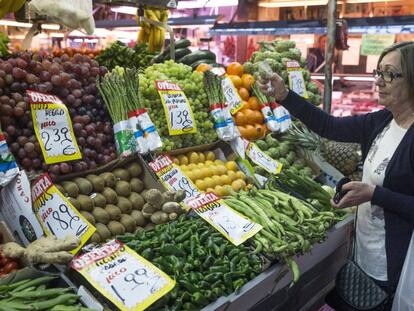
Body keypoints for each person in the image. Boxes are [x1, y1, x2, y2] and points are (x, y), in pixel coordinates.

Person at [259, 41, 414, 307]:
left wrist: (375, 194)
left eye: (390, 74)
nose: (380, 81)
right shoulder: (382, 121)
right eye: (379, 72)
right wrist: (284, 95)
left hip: (397, 264)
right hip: (366, 251)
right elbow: (329, 126)